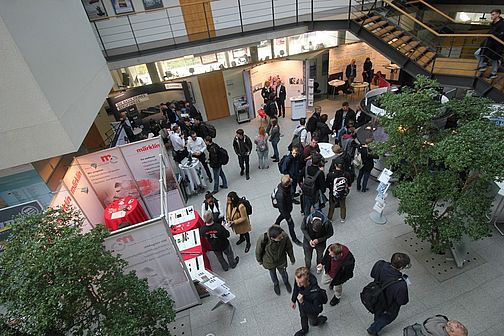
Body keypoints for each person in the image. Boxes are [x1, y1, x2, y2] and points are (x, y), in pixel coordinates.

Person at [367, 252, 411, 336]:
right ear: (401, 267)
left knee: (378, 312)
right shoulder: (401, 285)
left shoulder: (380, 264)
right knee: (388, 317)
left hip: (376, 294)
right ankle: (373, 329)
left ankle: (376, 319)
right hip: (389, 305)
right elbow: (402, 301)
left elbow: (372, 274)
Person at [256, 225, 295, 295]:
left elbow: (289, 247)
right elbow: (258, 251)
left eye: (281, 235)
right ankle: (276, 284)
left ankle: (286, 282)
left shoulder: (284, 236)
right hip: (269, 261)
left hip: (281, 260)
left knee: (284, 272)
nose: (282, 237)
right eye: (279, 238)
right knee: (272, 273)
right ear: (272, 238)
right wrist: (259, 260)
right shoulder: (263, 239)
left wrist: (292, 258)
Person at [291, 267, 327, 336]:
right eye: (297, 281)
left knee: (312, 321)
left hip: (310, 309)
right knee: (303, 316)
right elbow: (296, 288)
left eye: (300, 283)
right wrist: (293, 300)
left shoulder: (316, 293)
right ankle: (304, 330)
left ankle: (318, 320)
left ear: (307, 281)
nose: (298, 284)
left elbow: (317, 309)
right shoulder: (299, 279)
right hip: (302, 303)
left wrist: (303, 302)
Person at [475, 9, 504, 79]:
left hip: (497, 45)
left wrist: (492, 33)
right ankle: (484, 65)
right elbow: (491, 32)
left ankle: (493, 73)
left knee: (494, 59)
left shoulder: (502, 24)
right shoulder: (493, 23)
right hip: (489, 44)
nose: (492, 16)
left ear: (498, 14)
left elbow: (501, 35)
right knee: (477, 53)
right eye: (491, 14)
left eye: (493, 14)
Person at [274, 175, 303, 245]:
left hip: (287, 207)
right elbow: (282, 209)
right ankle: (294, 239)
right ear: (287, 184)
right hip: (285, 210)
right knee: (291, 224)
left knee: (281, 216)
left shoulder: (282, 186)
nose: (291, 179)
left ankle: (276, 224)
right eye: (290, 180)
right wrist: (288, 217)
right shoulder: (281, 195)